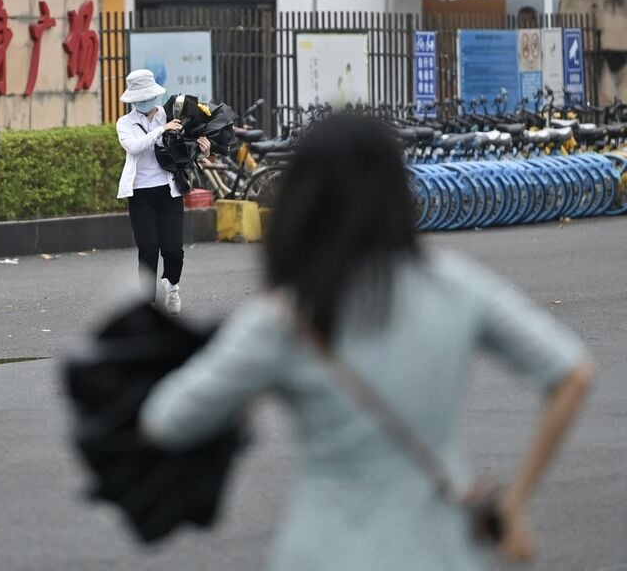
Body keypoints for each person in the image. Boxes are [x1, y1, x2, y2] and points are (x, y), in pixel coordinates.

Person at [139, 113, 594, 570]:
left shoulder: (284, 318)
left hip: (323, 551)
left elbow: (166, 420)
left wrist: (245, 399)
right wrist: (515, 502)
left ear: (306, 198)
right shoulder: (456, 286)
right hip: (441, 551)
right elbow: (573, 373)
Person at [116, 69, 209, 314]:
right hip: (140, 194)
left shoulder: (171, 115)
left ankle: (172, 287)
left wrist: (204, 150)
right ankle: (148, 304)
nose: (144, 102)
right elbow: (134, 147)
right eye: (139, 98)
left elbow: (185, 149)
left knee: (173, 249)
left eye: (147, 96)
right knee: (148, 249)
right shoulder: (125, 123)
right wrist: (161, 130)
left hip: (169, 192)